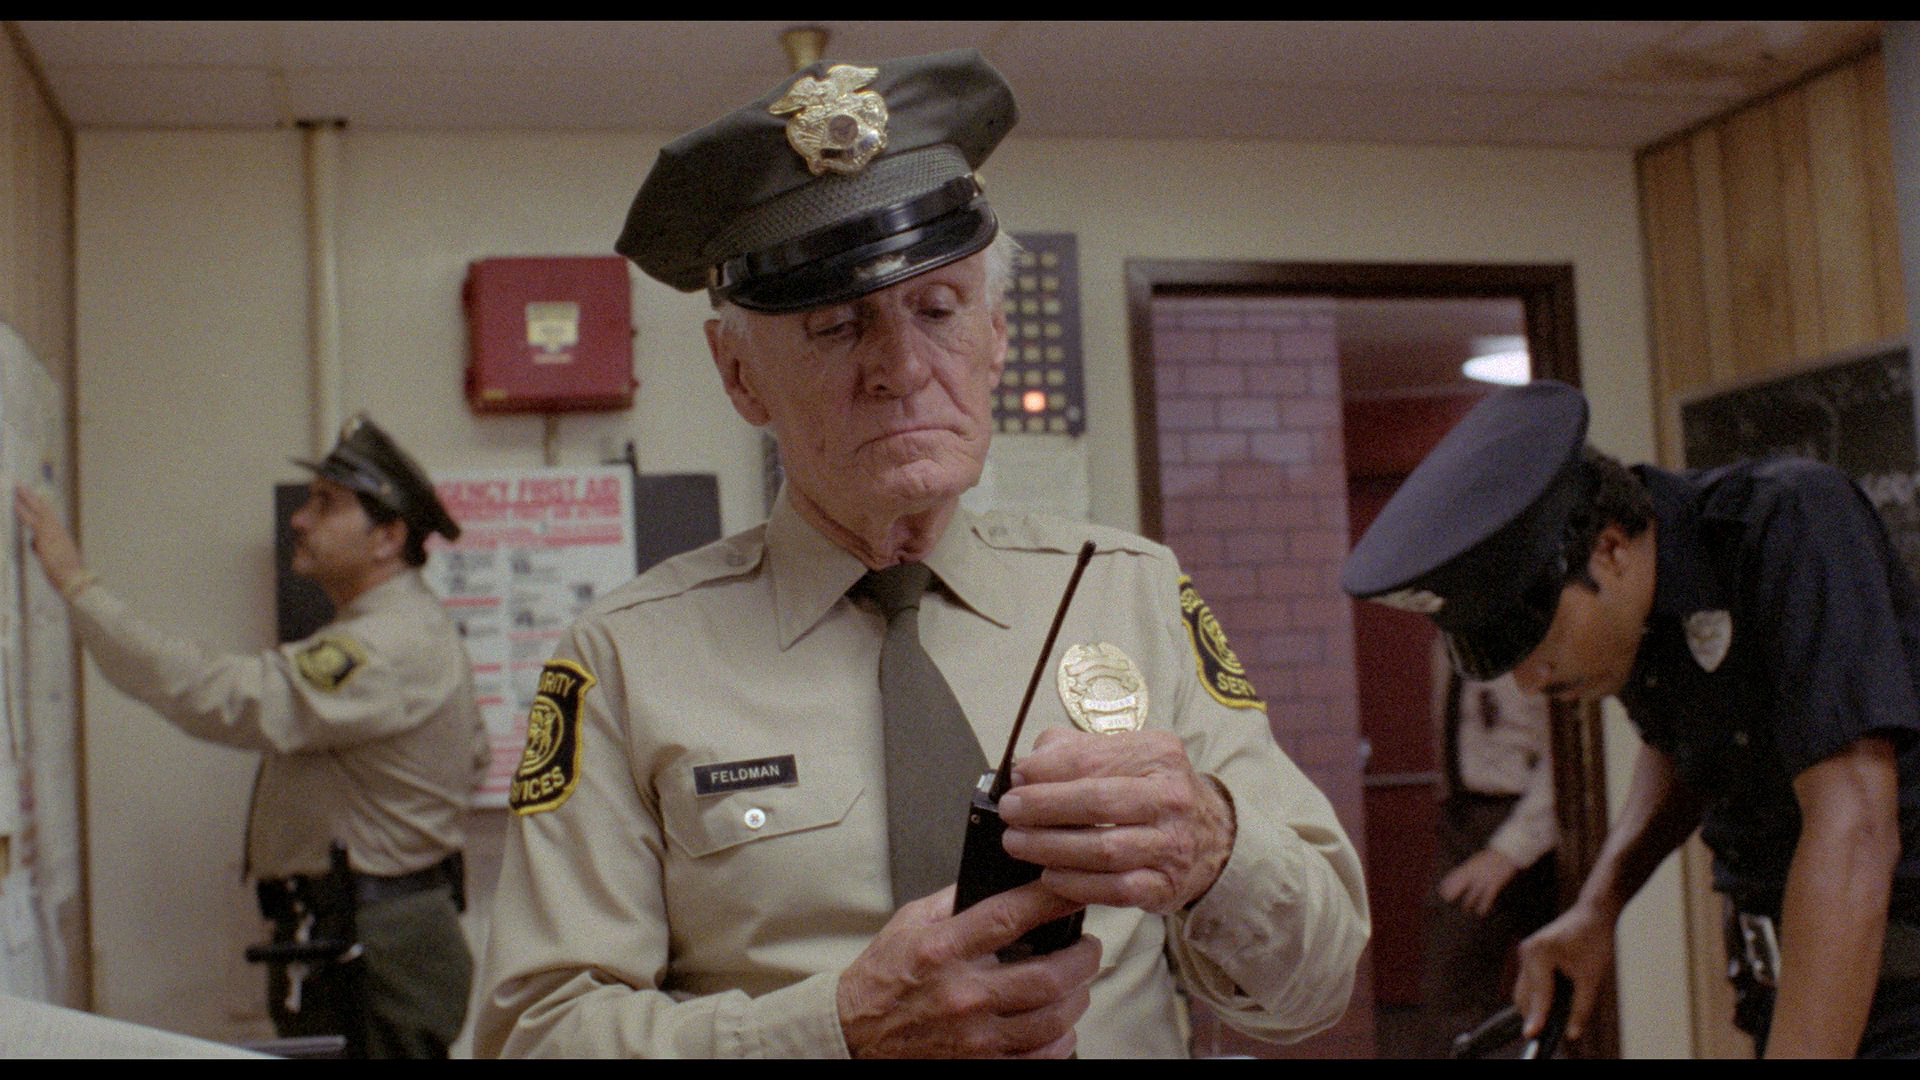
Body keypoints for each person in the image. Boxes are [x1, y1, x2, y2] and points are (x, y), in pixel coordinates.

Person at [471, 48, 1368, 1058]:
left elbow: (1316, 983)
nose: (900, 368)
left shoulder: (1132, 595)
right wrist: (835, 1030)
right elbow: (530, 1038)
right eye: (835, 326)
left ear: (996, 338)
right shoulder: (626, 660)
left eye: (938, 312)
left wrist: (1214, 847)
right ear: (739, 374)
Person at [1342, 379, 1920, 1058]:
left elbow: (1854, 828)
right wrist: (1597, 907)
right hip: (1786, 986)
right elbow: (1677, 747)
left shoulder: (1791, 520)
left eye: (1539, 640)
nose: (1530, 681)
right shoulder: (1641, 610)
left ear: (1610, 549)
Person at [13, 414, 487, 1058]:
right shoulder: (406, 625)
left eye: (326, 504)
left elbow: (223, 696)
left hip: (374, 946)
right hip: (375, 932)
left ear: (387, 536)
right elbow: (474, 756)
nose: (300, 519)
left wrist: (78, 586)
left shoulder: (384, 643)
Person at [1416, 639, 1557, 1055]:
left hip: (1529, 821)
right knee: (1448, 990)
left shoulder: (1529, 632)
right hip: (1465, 818)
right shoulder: (1450, 637)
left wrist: (1509, 851)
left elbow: (1564, 755)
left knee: (1560, 987)